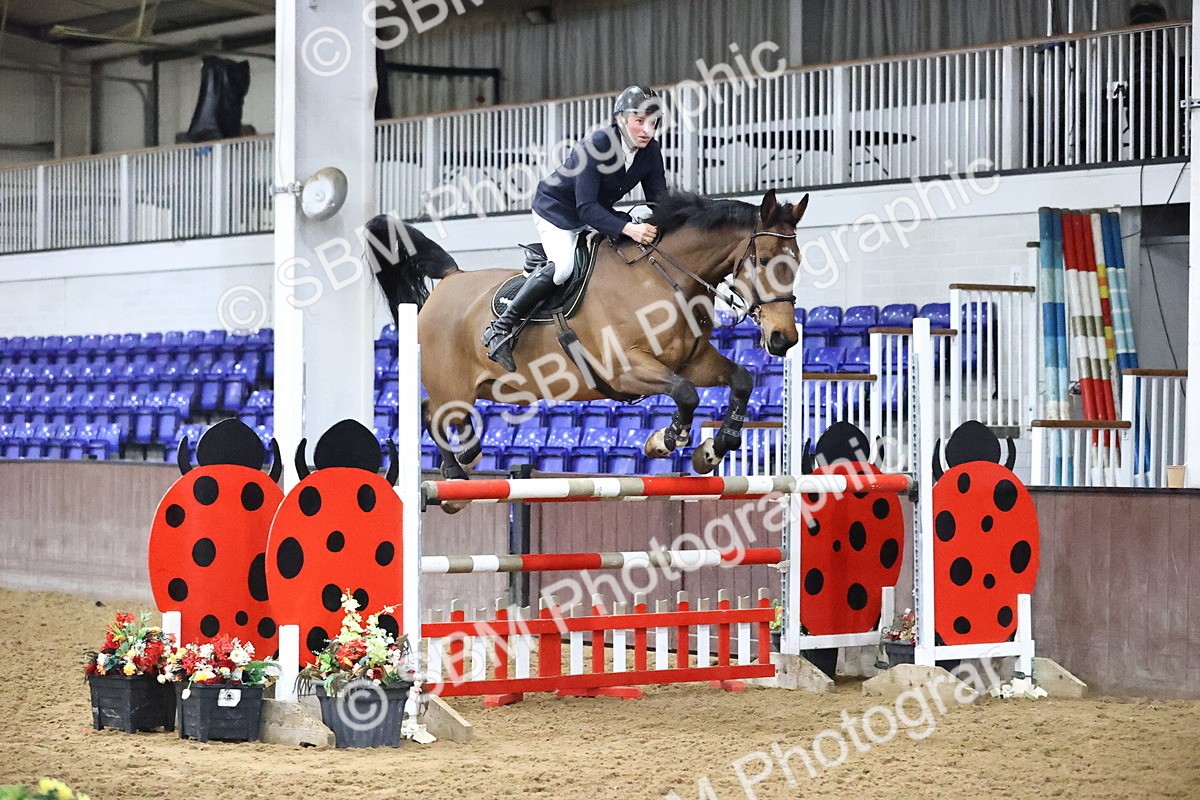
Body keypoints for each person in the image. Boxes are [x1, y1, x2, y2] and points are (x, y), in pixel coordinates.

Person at [481, 85, 670, 372]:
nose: (647, 130)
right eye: (640, 121)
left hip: (597, 212)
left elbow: (660, 202)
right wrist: (629, 229)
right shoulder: (596, 145)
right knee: (563, 268)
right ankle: (500, 328)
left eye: (653, 123)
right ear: (621, 119)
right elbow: (585, 208)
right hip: (557, 210)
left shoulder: (650, 151)